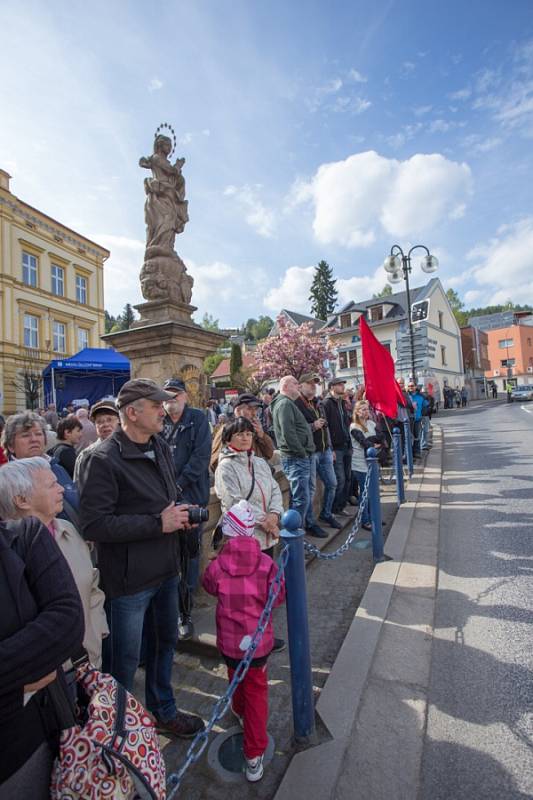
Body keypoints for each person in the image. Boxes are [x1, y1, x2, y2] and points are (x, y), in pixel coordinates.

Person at [79, 378, 205, 738]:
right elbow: (94, 524)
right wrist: (158, 523)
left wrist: (178, 513)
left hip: (166, 570)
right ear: (132, 413)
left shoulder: (159, 445)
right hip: (129, 583)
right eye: (155, 405)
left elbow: (164, 496)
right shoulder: (100, 459)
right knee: (125, 662)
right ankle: (119, 733)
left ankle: (162, 712)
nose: (163, 410)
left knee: (166, 645)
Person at [202, 500, 285, 783]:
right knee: (257, 692)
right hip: (258, 646)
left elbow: (208, 586)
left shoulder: (218, 567)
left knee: (234, 678)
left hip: (229, 643)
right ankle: (254, 754)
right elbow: (279, 596)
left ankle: (237, 710)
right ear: (251, 531)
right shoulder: (266, 564)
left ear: (227, 532)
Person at [0, 516, 84, 798]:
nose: (59, 489)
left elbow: (68, 621)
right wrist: (17, 682)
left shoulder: (24, 536)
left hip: (48, 737)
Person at [0, 458, 108, 667]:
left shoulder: (67, 529)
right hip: (45, 676)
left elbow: (92, 585)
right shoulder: (9, 554)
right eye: (51, 485)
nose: (62, 489)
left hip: (88, 660)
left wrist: (98, 630)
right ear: (22, 500)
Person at [160, 378, 212, 641]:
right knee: (167, 557)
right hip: (165, 500)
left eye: (176, 395)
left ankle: (186, 612)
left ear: (185, 396)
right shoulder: (159, 422)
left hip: (191, 496)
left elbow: (201, 458)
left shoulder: (198, 419)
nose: (171, 400)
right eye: (167, 396)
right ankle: (170, 610)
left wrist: (177, 485)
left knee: (190, 556)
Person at [214, 418, 284, 555]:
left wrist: (275, 514)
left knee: (267, 574)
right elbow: (234, 504)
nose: (245, 438)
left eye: (248, 434)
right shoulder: (226, 467)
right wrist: (266, 523)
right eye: (239, 434)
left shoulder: (259, 462)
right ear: (228, 440)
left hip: (267, 537)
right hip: (244, 537)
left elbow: (275, 489)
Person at [1, 411, 80, 528]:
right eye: (25, 435)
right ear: (11, 446)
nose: (34, 439)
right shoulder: (6, 482)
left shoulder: (57, 468)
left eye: (38, 434)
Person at [271, 376, 317, 534]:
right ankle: (294, 536)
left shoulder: (287, 403)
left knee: (299, 497)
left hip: (298, 456)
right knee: (300, 499)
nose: (298, 386)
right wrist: (301, 453)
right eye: (295, 384)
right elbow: (288, 433)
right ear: (285, 386)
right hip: (295, 457)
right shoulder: (284, 404)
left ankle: (296, 534)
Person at [295, 374, 339, 532]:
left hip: (325, 449)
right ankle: (310, 523)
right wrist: (312, 426)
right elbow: (295, 430)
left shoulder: (318, 403)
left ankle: (326, 513)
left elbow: (326, 428)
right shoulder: (296, 404)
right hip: (311, 452)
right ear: (300, 386)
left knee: (332, 483)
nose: (313, 386)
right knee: (310, 489)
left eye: (315, 383)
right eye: (309, 383)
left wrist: (330, 447)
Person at [211, 393, 274, 472]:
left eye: (256, 409)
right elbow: (214, 462)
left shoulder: (254, 429)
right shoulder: (227, 429)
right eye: (250, 409)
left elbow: (269, 454)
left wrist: (262, 436)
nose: (254, 413)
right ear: (237, 411)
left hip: (257, 478)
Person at [350, 401, 384, 532]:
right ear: (357, 412)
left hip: (372, 461)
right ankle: (365, 520)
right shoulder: (354, 426)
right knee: (365, 493)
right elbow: (364, 442)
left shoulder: (371, 423)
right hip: (360, 463)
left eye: (367, 409)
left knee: (373, 492)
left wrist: (372, 440)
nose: (366, 412)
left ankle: (374, 517)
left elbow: (381, 437)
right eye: (362, 410)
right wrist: (372, 441)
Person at [323, 378, 352, 516]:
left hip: (346, 444)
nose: (342, 387)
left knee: (347, 478)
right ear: (332, 387)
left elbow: (345, 423)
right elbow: (326, 427)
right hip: (336, 447)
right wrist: (331, 448)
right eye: (340, 385)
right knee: (339, 479)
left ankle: (341, 506)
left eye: (342, 384)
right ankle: (334, 508)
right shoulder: (327, 403)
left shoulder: (341, 402)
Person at [73, 399, 120, 483]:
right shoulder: (86, 456)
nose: (105, 424)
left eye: (109, 419)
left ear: (119, 421)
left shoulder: (131, 449)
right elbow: (79, 487)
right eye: (99, 422)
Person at [407, 381, 423, 457]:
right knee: (410, 436)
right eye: (409, 386)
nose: (411, 387)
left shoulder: (420, 396)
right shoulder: (406, 395)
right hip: (409, 419)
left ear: (415, 387)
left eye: (412, 386)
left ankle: (417, 452)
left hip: (417, 419)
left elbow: (426, 404)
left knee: (417, 436)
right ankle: (411, 453)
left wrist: (425, 411)